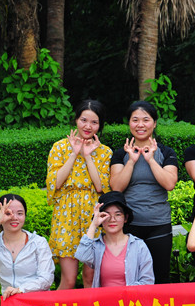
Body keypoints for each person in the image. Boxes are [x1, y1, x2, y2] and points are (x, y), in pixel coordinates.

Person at [110, 101, 178, 284]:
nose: (140, 125)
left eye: (146, 120)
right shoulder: (120, 154)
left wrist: (151, 160)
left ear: (154, 123)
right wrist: (131, 161)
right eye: (135, 120)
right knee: (129, 279)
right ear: (129, 123)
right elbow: (116, 187)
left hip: (159, 224)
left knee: (160, 278)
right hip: (129, 226)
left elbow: (170, 183)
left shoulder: (166, 152)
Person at [46, 99, 112, 290]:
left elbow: (101, 186)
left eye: (94, 122)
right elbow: (55, 182)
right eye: (84, 120)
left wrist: (88, 156)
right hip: (66, 214)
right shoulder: (59, 148)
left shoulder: (104, 152)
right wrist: (74, 153)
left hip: (93, 214)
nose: (88, 126)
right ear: (76, 120)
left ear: (100, 126)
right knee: (68, 280)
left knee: (91, 279)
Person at [74, 191, 155, 287]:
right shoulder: (96, 246)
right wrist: (94, 224)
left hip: (131, 300)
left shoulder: (139, 246)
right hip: (102, 301)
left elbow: (147, 281)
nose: (112, 219)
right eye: (106, 215)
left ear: (125, 218)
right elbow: (82, 256)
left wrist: (122, 295)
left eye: (118, 214)